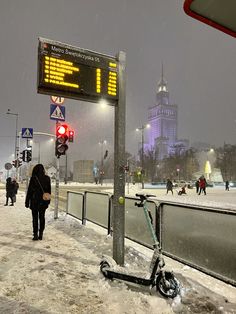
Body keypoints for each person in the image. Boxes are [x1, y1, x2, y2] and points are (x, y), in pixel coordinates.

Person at [25, 164, 51, 241]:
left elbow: (29, 191)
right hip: (43, 202)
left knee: (35, 218)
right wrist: (48, 201)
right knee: (42, 217)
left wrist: (27, 201)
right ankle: (41, 234)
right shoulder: (47, 178)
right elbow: (49, 191)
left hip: (34, 201)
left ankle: (35, 234)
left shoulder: (33, 178)